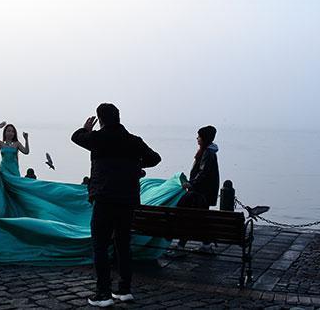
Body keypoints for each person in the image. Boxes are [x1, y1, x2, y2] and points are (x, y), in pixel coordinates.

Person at [72, 103, 161, 307]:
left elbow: (76, 137)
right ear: (118, 117)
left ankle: (103, 293)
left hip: (104, 198)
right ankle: (124, 289)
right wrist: (135, 165)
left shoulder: (98, 138)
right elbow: (155, 158)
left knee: (100, 245)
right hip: (127, 201)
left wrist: (87, 128)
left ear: (100, 119)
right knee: (123, 244)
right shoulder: (134, 141)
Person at [172, 125, 220, 254]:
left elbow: (203, 173)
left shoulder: (207, 153)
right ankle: (206, 245)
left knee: (189, 218)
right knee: (200, 219)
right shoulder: (207, 151)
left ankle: (181, 246)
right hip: (205, 192)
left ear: (204, 138)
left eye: (199, 136)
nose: (197, 138)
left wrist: (191, 184)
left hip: (200, 193)